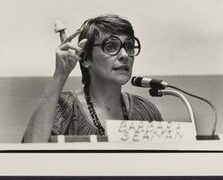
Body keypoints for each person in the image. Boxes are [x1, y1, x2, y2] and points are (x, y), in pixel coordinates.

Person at [23, 14, 163, 142]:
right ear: (86, 59)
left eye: (129, 46)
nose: (125, 55)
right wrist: (60, 75)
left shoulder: (146, 111)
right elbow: (29, 152)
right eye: (111, 46)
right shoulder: (64, 108)